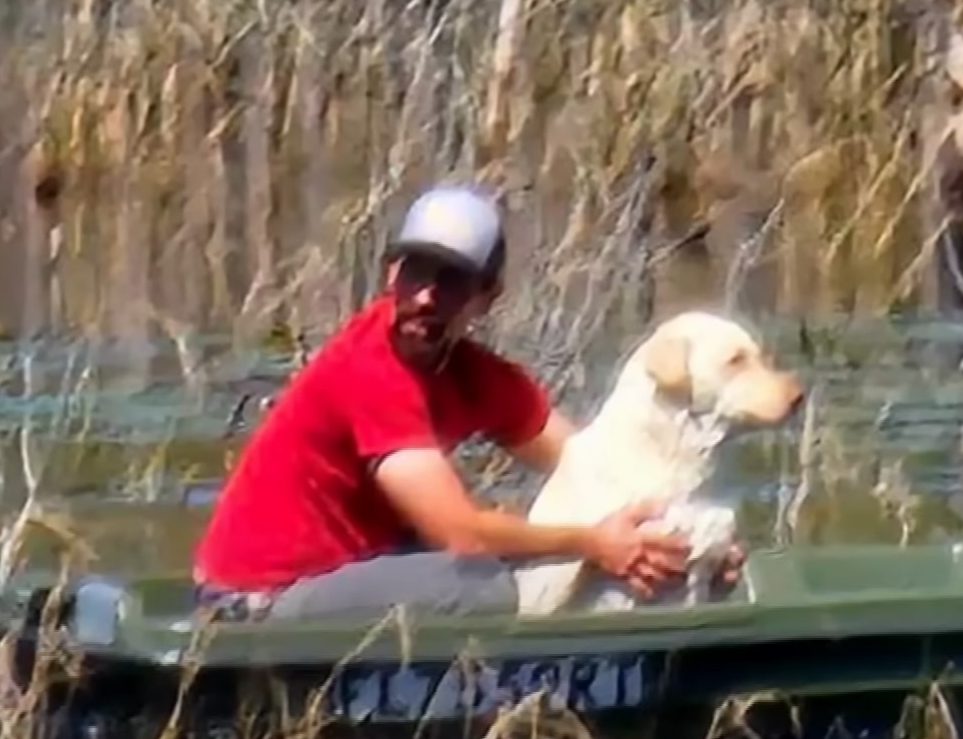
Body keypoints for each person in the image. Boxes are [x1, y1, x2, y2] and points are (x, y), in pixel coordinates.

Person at [191, 185, 744, 621]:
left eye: (451, 280)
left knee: (513, 562)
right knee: (484, 585)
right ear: (390, 273)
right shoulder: (368, 369)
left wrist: (692, 541)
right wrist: (591, 543)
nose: (426, 296)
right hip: (254, 604)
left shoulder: (475, 376)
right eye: (413, 272)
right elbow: (459, 535)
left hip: (348, 573)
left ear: (486, 297)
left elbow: (598, 466)